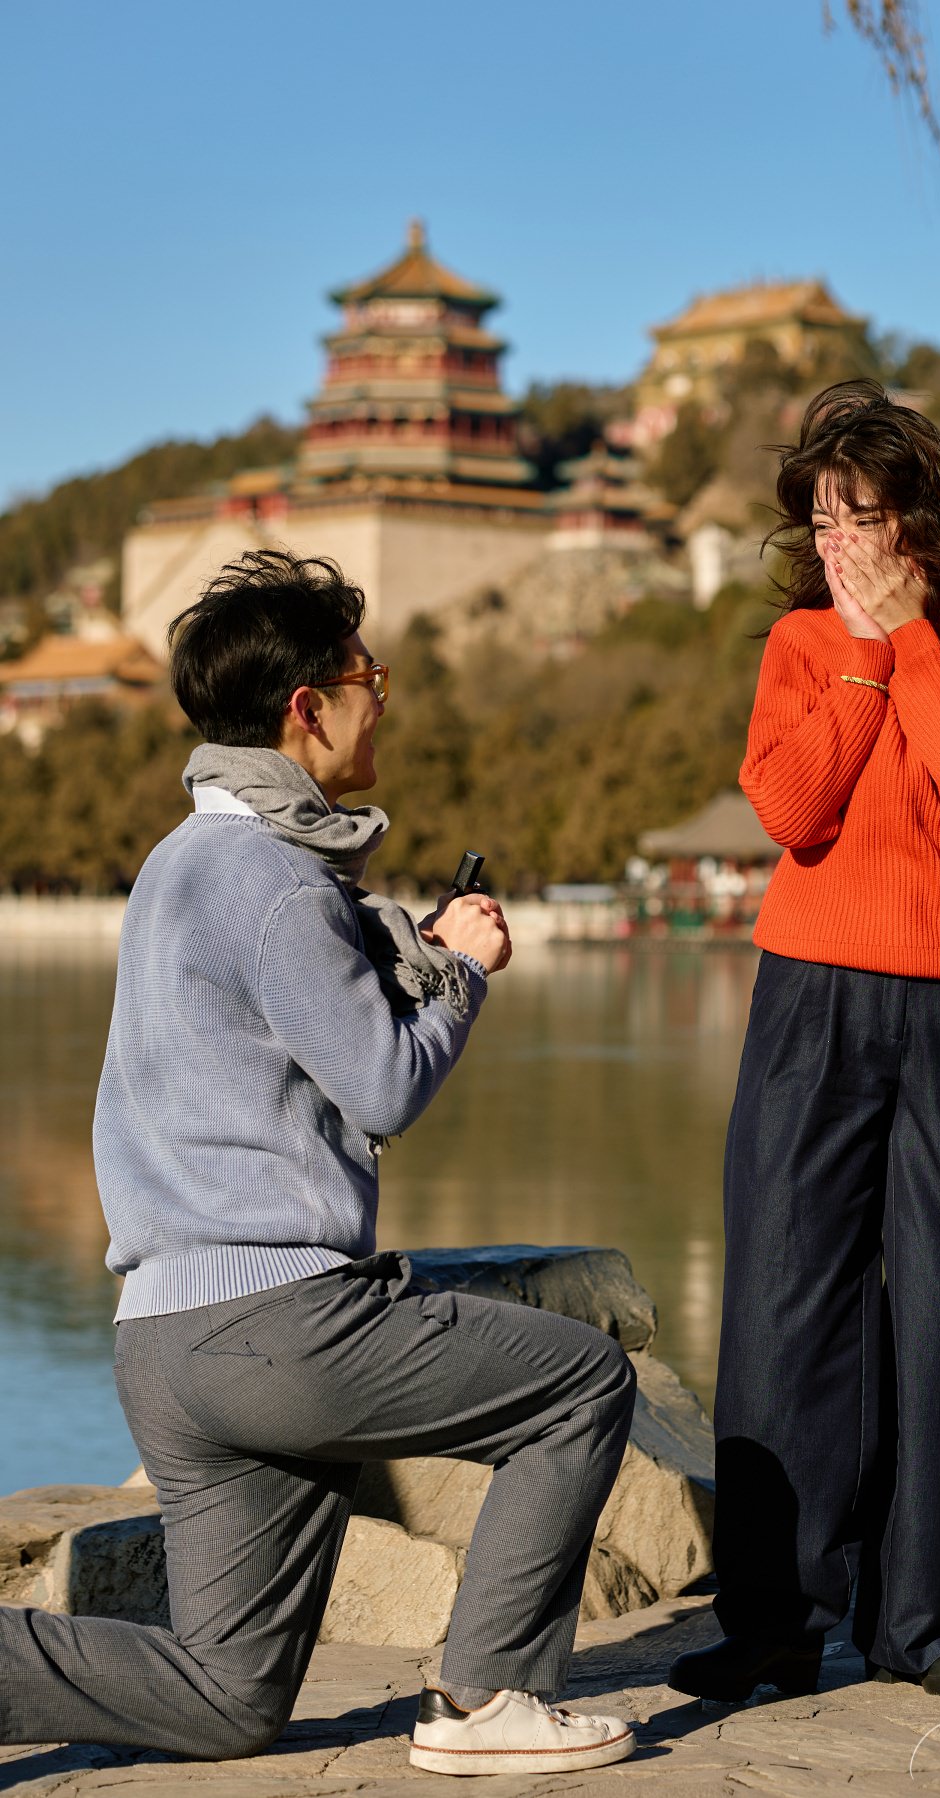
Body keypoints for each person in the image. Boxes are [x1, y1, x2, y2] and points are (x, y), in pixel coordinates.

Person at [0, 550, 637, 1779]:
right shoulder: (281, 882)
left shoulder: (176, 864)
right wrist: (459, 971)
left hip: (162, 1344)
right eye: (368, 678)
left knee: (225, 1697)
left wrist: (402, 946)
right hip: (279, 1328)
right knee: (580, 1383)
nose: (378, 701)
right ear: (309, 707)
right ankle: (486, 1698)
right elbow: (386, 1082)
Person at [669, 379, 940, 1704]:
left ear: (927, 518)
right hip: (813, 993)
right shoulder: (800, 646)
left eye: (863, 514)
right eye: (822, 518)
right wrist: (856, 651)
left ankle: (922, 1623)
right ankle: (774, 1621)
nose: (838, 539)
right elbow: (791, 804)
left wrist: (909, 644)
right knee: (786, 1299)